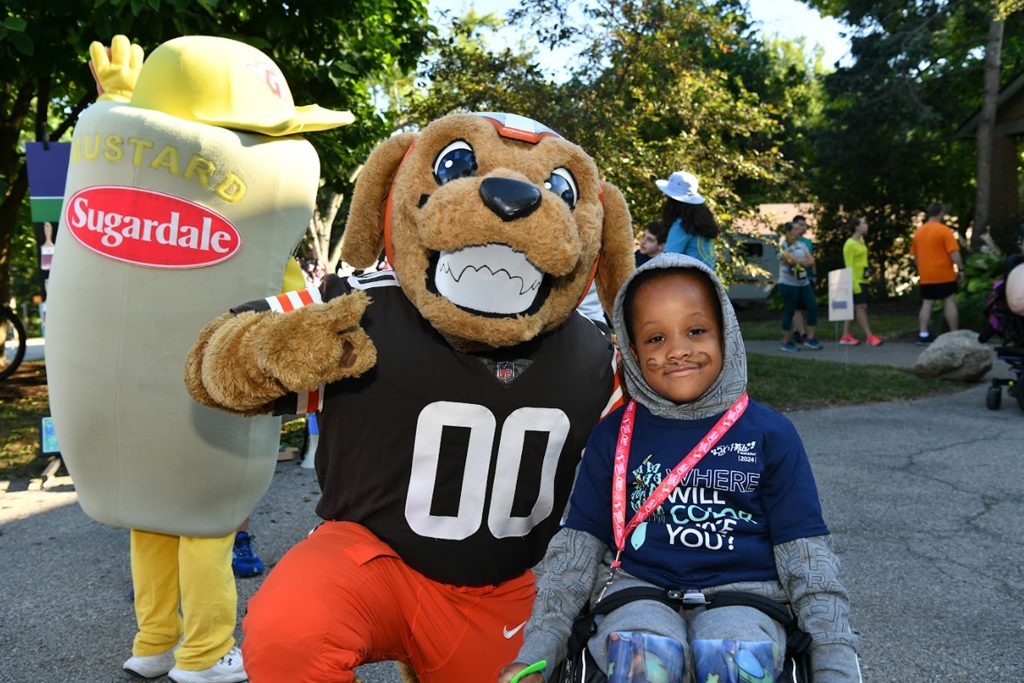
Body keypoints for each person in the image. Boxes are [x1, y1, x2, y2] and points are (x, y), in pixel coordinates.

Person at [498, 253, 860, 683]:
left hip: (745, 597)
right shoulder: (613, 435)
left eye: (695, 330)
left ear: (726, 332)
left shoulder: (771, 434)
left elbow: (808, 559)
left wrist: (836, 662)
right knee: (642, 654)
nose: (678, 350)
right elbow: (575, 552)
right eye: (655, 339)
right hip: (638, 592)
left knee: (736, 654)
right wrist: (538, 649)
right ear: (631, 352)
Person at [910, 202, 963, 344]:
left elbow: (915, 256)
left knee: (927, 303)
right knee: (949, 301)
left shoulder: (919, 233)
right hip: (944, 274)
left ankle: (923, 334)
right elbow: (954, 253)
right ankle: (954, 334)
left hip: (926, 275)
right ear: (941, 213)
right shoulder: (944, 231)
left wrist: (921, 270)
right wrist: (960, 269)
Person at [656, 171, 719, 269]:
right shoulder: (703, 224)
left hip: (688, 280)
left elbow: (667, 261)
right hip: (707, 280)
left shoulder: (682, 226)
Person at [778, 221, 822, 351]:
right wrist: (803, 262)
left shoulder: (802, 245)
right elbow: (790, 260)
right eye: (796, 229)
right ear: (788, 232)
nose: (799, 231)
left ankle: (810, 338)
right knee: (790, 310)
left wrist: (803, 262)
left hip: (804, 283)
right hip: (788, 284)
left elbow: (811, 260)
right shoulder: (782, 246)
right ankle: (786, 341)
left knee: (812, 306)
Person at [840, 216, 882, 346]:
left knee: (854, 309)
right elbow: (849, 265)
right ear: (856, 227)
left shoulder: (862, 241)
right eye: (864, 223)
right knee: (861, 308)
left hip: (863, 279)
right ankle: (869, 336)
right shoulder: (849, 244)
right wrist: (854, 284)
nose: (866, 225)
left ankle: (845, 335)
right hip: (855, 281)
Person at [788, 215, 815, 344]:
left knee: (809, 306)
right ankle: (801, 332)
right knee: (797, 308)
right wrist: (803, 262)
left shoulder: (807, 242)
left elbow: (811, 260)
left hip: (807, 277)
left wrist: (813, 274)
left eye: (804, 224)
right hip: (794, 279)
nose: (802, 227)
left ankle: (800, 331)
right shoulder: (788, 242)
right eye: (799, 224)